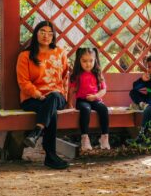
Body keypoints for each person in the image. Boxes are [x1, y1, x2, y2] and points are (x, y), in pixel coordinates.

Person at [17, 21, 70, 170]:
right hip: (32, 99)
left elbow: (65, 77)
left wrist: (65, 96)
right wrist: (37, 94)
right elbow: (23, 81)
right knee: (50, 110)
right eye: (42, 32)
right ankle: (50, 156)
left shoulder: (60, 53)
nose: (46, 36)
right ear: (36, 34)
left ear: (53, 36)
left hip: (57, 96)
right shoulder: (25, 55)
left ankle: (37, 132)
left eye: (50, 33)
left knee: (52, 98)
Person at [68, 46, 110, 152]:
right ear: (79, 61)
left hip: (95, 99)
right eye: (84, 61)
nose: (88, 64)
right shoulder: (77, 74)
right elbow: (72, 90)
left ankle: (104, 137)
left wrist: (95, 96)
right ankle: (85, 138)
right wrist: (69, 104)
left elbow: (103, 90)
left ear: (95, 60)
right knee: (85, 109)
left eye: (91, 60)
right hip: (82, 100)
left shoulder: (97, 73)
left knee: (104, 109)